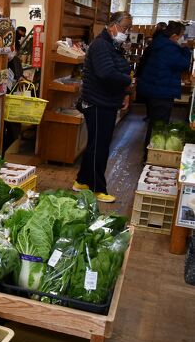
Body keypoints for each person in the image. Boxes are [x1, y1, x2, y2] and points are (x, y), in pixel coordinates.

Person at [73, 11, 133, 203]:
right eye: (125, 28)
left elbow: (119, 70)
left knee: (96, 144)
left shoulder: (113, 45)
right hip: (97, 103)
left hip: (106, 101)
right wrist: (128, 81)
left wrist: (125, 92)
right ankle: (97, 188)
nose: (126, 32)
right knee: (100, 146)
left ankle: (82, 181)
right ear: (113, 25)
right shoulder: (101, 45)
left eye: (128, 29)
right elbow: (106, 73)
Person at [138, 21, 193, 151]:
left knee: (154, 123)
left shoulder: (160, 43)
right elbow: (183, 64)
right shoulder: (169, 48)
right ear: (174, 36)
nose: (183, 39)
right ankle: (151, 154)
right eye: (182, 36)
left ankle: (149, 152)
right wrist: (185, 49)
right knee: (159, 125)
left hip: (154, 88)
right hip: (161, 91)